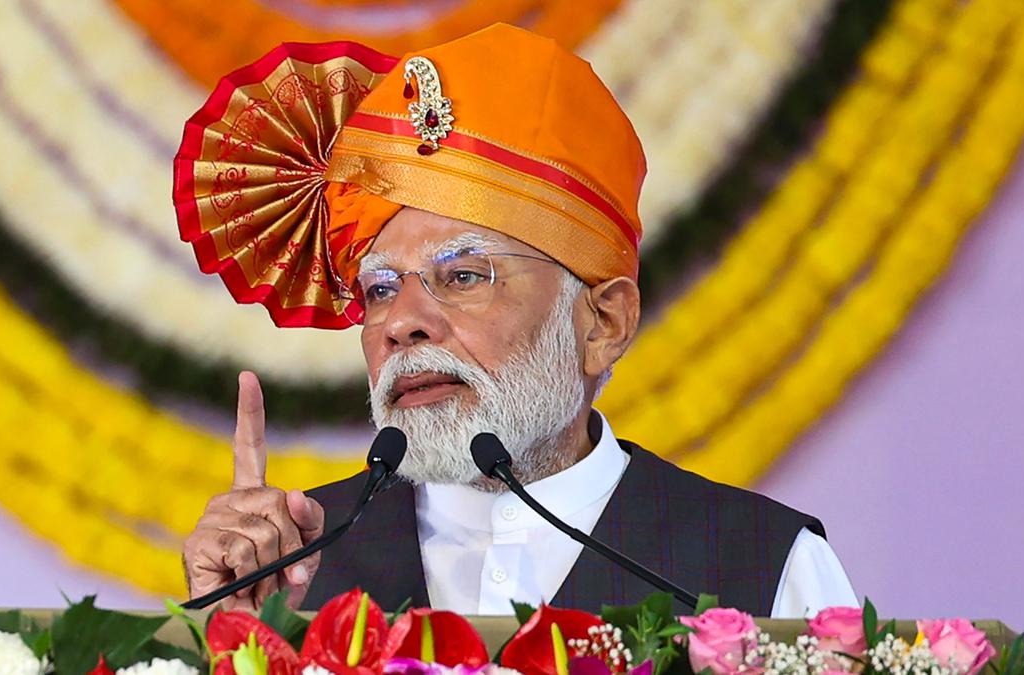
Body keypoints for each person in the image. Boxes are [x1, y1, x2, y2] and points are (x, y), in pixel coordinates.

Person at [175, 24, 856, 617]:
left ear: (604, 323)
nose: (401, 323)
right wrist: (229, 640)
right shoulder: (293, 564)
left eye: (463, 276)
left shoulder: (762, 568)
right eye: (379, 289)